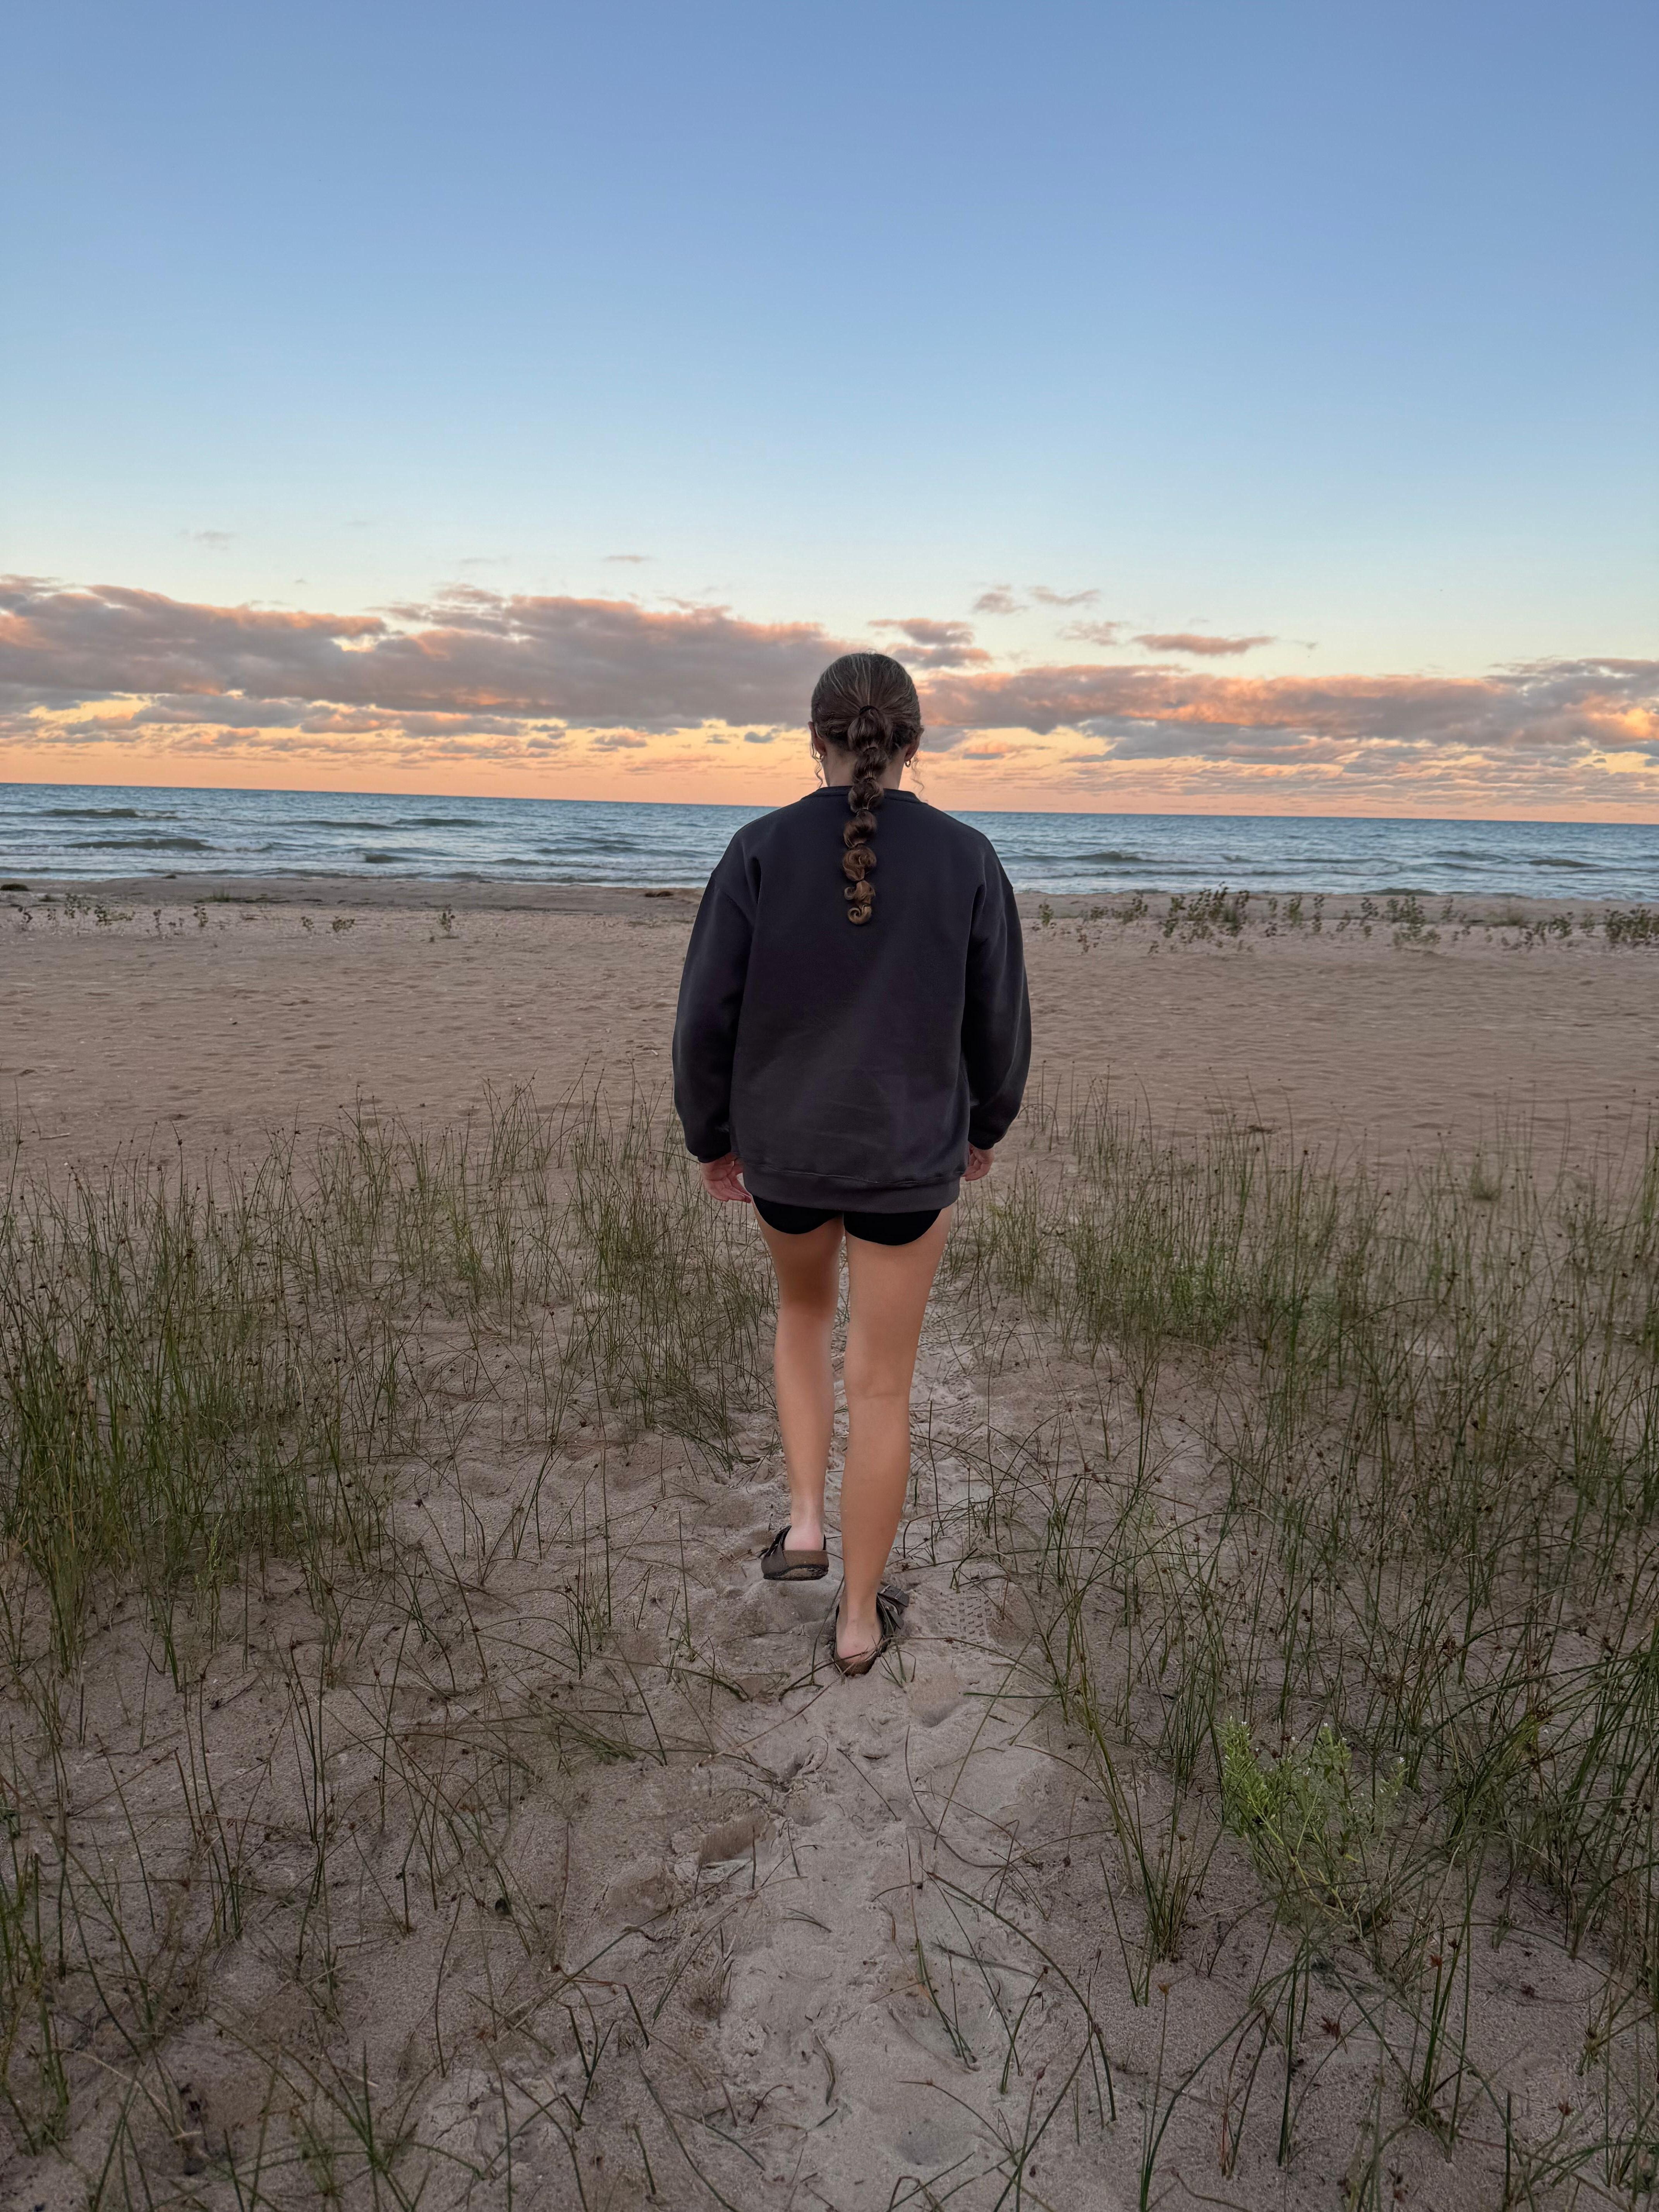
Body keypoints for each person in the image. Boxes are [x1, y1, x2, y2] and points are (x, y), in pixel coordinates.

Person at [672, 653, 1031, 1676]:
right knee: (881, 1386)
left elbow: (705, 1015)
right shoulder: (965, 856)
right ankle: (860, 1621)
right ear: (911, 742)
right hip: (910, 1158)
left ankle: (802, 1524)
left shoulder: (756, 849)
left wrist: (713, 1136)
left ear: (815, 737)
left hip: (786, 1152)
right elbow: (999, 1017)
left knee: (800, 1318)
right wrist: (984, 1124)